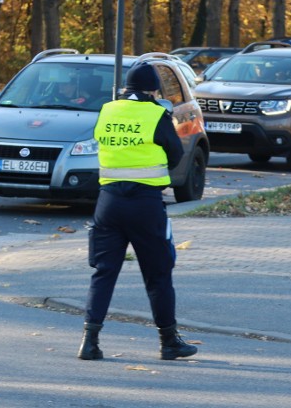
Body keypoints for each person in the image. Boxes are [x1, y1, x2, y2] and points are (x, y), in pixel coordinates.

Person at [77, 62, 197, 361]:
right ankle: (169, 342)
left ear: (126, 88)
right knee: (158, 273)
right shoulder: (156, 113)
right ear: (153, 88)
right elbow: (175, 153)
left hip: (108, 202)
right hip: (145, 204)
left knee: (103, 272)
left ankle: (90, 341)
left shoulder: (108, 111)